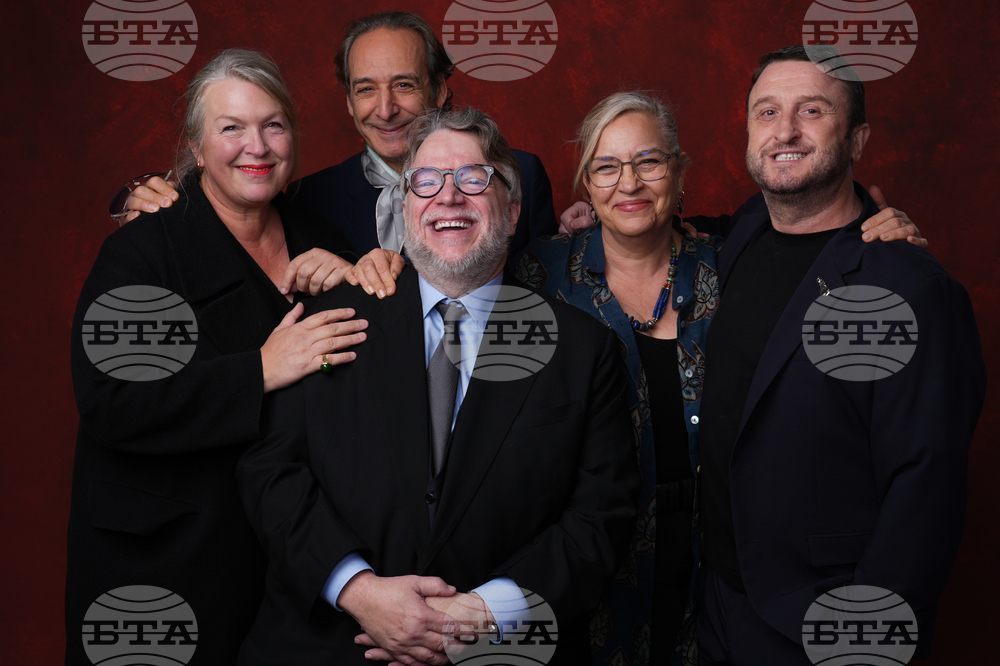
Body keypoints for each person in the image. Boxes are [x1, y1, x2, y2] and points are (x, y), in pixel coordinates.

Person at [514, 86, 929, 665]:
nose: (628, 184)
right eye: (605, 167)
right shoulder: (535, 275)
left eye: (649, 162)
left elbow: (814, 233)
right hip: (589, 556)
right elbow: (448, 274)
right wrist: (361, 268)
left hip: (719, 561)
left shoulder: (732, 260)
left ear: (680, 173)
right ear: (585, 182)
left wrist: (879, 228)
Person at [234, 105, 640, 666]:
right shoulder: (329, 321)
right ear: (406, 206)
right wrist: (357, 590)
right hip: (330, 644)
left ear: (514, 206)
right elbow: (271, 473)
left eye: (474, 178)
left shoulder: (582, 350)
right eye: (426, 181)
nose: (448, 196)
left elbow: (600, 516)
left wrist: (482, 614)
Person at [65, 49, 382, 665]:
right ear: (196, 145)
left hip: (288, 556)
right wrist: (260, 369)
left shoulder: (326, 242)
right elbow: (113, 400)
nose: (255, 146)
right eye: (230, 127)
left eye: (274, 124)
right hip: (165, 564)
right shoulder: (145, 250)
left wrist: (359, 282)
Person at [695, 45, 986, 664]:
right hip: (720, 603)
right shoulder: (743, 232)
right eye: (766, 112)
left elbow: (925, 493)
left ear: (857, 140)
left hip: (821, 620)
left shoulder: (909, 289)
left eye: (812, 111)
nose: (785, 131)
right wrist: (584, 219)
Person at [122, 11, 557, 264]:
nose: (384, 110)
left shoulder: (520, 174)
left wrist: (600, 227)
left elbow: (553, 294)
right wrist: (155, 200)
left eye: (404, 85)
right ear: (348, 100)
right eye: (366, 89)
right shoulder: (303, 199)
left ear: (440, 89)